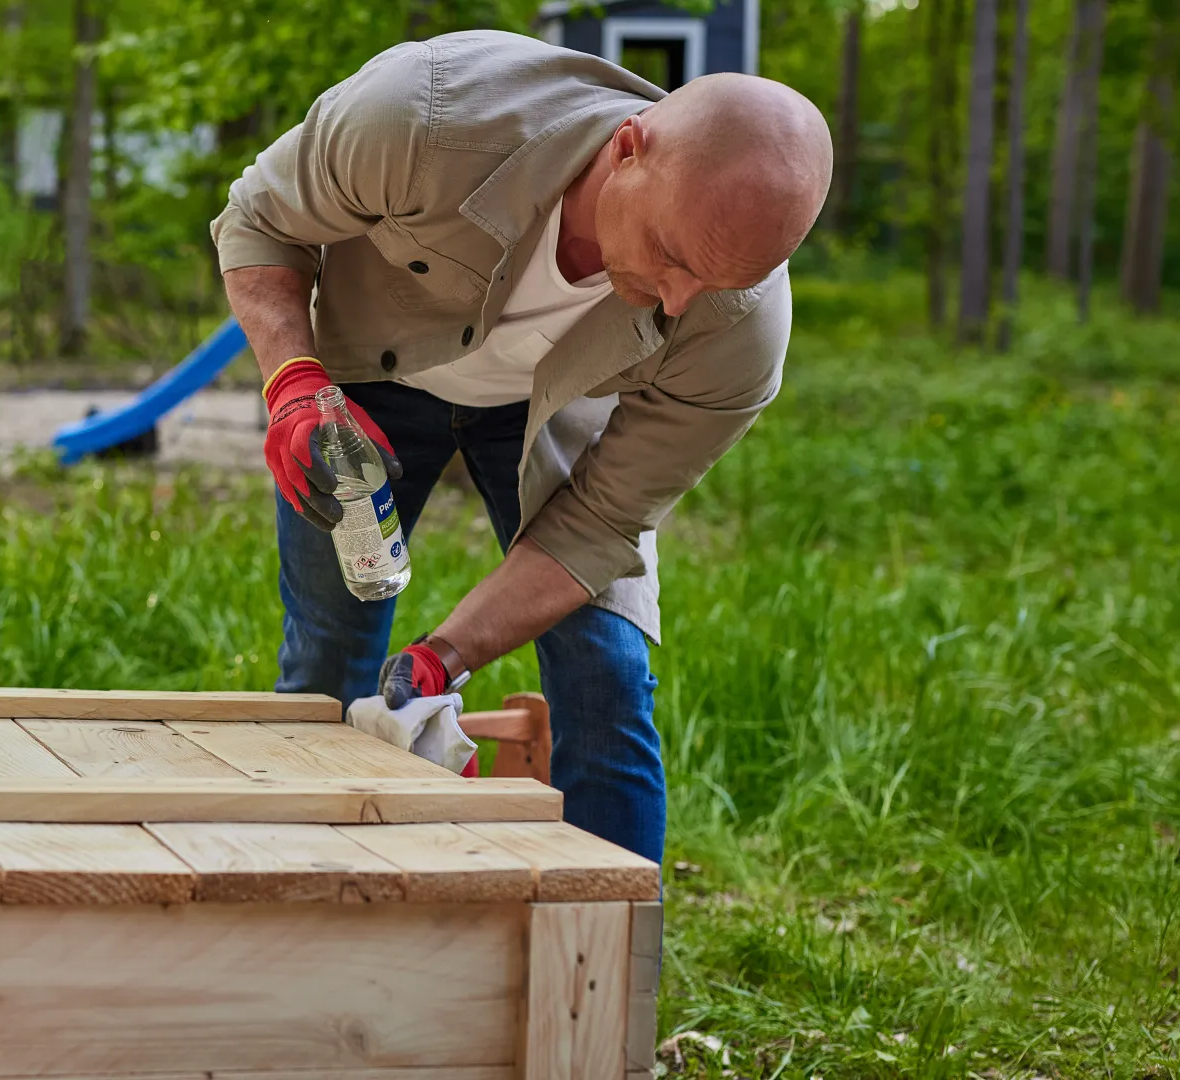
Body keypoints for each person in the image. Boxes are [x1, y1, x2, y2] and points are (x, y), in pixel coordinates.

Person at [212, 31, 833, 864]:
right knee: (329, 661)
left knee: (606, 679)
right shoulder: (425, 117)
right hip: (360, 379)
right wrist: (293, 382)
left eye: (716, 282)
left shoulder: (738, 330)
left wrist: (444, 657)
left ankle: (607, 941)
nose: (681, 300)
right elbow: (258, 219)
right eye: (672, 256)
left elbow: (600, 525)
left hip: (551, 410)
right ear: (627, 150)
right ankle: (304, 901)